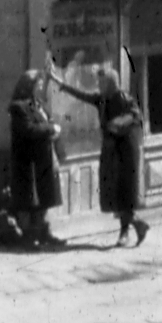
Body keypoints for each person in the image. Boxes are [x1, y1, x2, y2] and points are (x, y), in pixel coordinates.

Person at [49, 62, 149, 246]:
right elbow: (82, 95)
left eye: (102, 83)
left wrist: (115, 124)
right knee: (115, 193)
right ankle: (136, 226)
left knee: (124, 193)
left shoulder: (125, 99)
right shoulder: (101, 99)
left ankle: (126, 232)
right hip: (111, 151)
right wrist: (60, 83)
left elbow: (135, 116)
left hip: (126, 152)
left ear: (111, 83)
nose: (99, 86)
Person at [8, 69, 65, 248]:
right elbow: (28, 129)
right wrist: (51, 129)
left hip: (44, 159)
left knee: (45, 199)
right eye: (37, 83)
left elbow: (45, 121)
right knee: (33, 200)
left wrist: (53, 129)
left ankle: (43, 233)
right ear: (28, 85)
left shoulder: (37, 104)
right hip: (29, 161)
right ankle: (31, 236)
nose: (40, 86)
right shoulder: (19, 107)